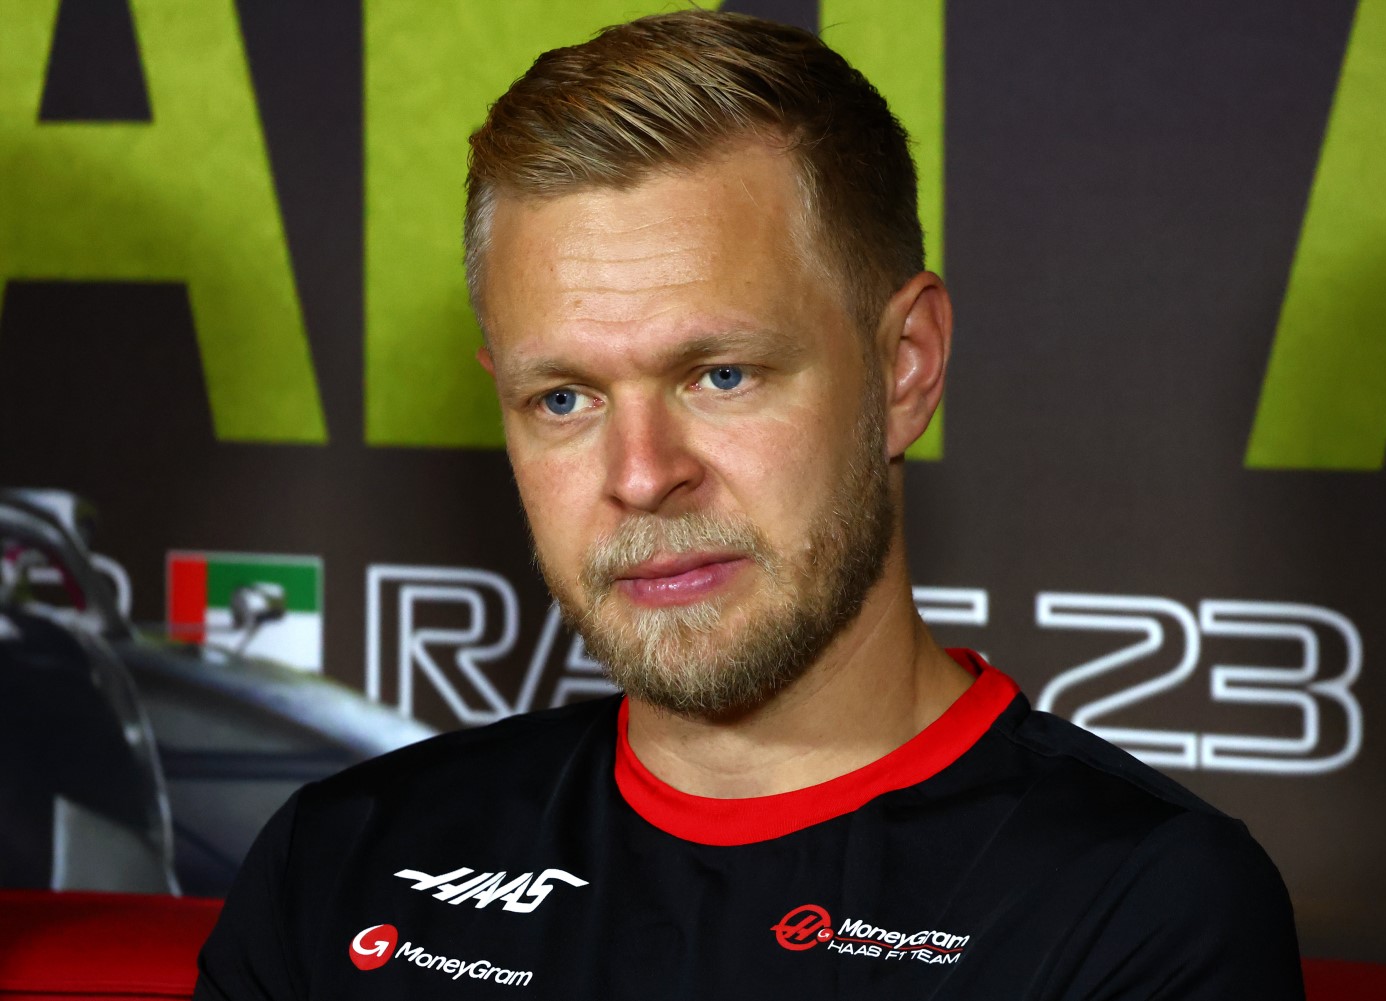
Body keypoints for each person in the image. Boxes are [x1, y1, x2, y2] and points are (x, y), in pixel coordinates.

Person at [195, 10, 1304, 999]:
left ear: (905, 367)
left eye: (720, 374)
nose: (640, 471)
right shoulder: (340, 865)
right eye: (565, 395)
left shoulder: (1139, 908)